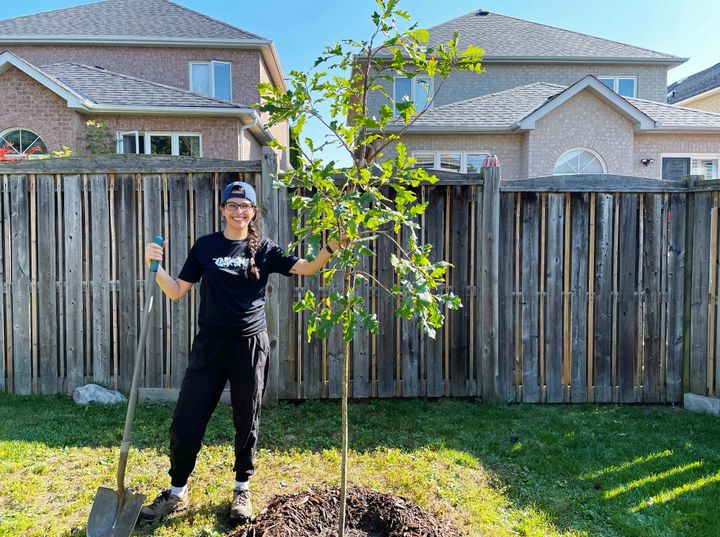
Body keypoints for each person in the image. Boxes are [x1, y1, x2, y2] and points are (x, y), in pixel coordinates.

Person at [138, 181, 340, 524]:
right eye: (232, 205)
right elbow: (175, 291)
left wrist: (330, 249)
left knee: (247, 418)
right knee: (187, 418)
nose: (238, 211)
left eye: (244, 205)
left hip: (249, 344)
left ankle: (241, 488)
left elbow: (305, 267)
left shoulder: (264, 249)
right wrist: (154, 267)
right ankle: (177, 492)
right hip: (210, 345)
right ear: (222, 210)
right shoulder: (205, 246)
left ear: (254, 212)